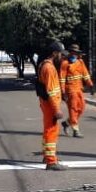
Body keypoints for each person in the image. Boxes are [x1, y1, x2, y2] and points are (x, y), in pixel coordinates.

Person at [35, 41, 67, 171]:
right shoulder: (49, 68)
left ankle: (47, 156)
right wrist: (57, 109)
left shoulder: (45, 65)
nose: (62, 56)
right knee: (51, 131)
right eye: (60, 53)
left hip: (46, 103)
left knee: (48, 129)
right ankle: (51, 161)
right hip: (50, 105)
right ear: (54, 53)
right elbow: (51, 91)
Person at [60, 43, 94, 138]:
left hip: (79, 88)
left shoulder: (80, 62)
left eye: (76, 53)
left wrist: (90, 85)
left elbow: (86, 75)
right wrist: (63, 92)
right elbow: (62, 79)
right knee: (73, 109)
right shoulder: (65, 63)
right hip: (70, 89)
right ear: (70, 53)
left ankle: (67, 123)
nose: (74, 54)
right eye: (73, 52)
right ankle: (75, 129)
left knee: (81, 108)